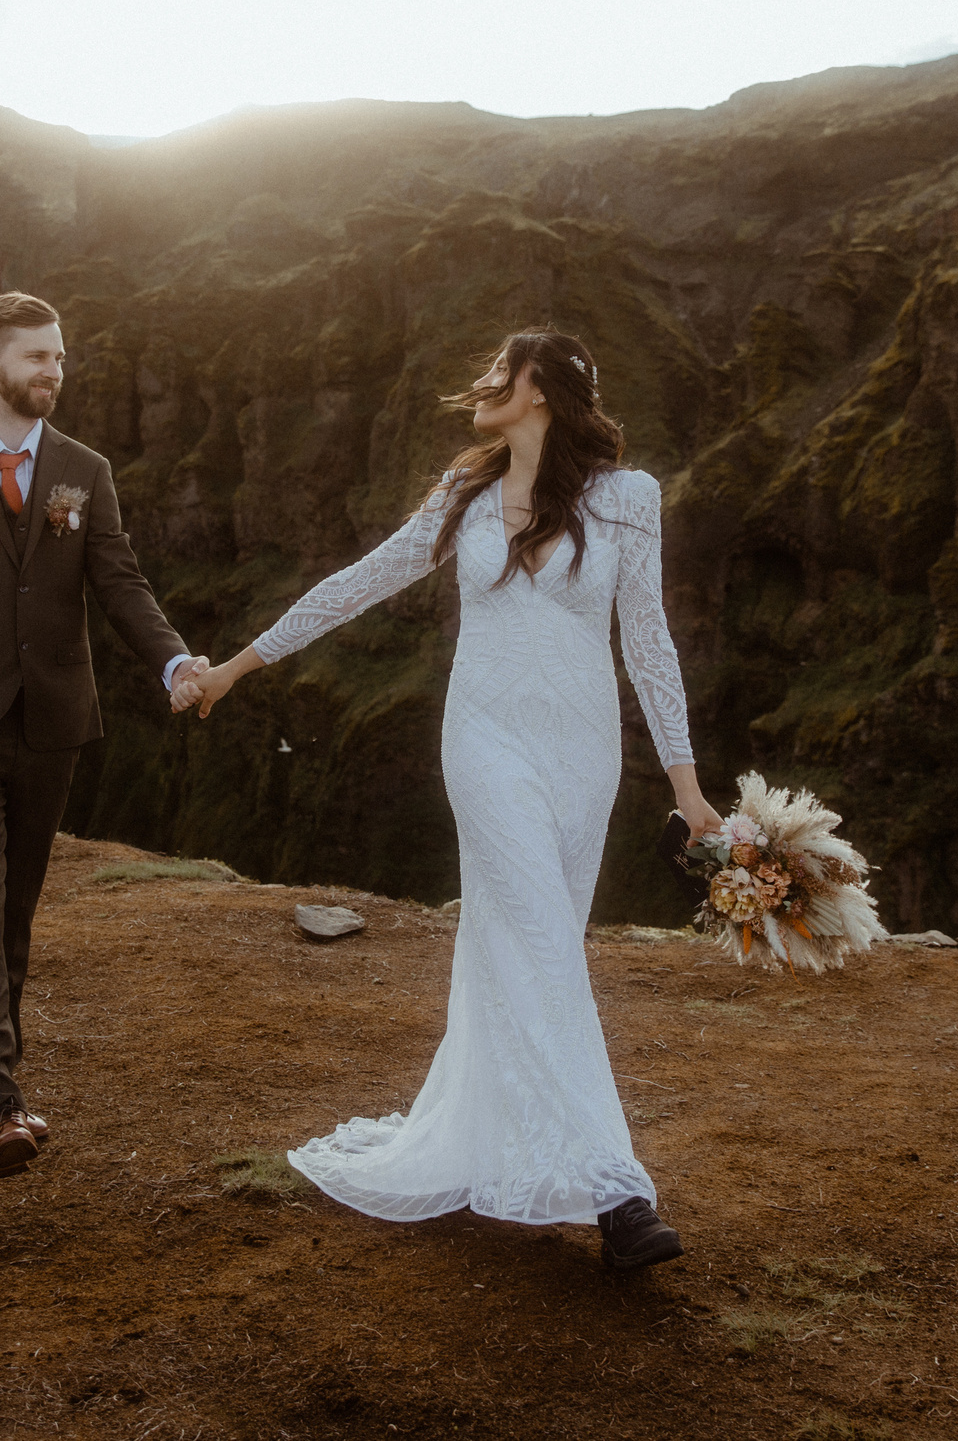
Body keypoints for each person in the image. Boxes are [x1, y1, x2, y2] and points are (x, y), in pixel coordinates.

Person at [179, 328, 720, 1270]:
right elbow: (356, 585)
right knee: (543, 943)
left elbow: (648, 640)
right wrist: (233, 667)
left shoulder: (629, 499)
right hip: (486, 742)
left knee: (537, 947)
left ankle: (505, 1139)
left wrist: (687, 784)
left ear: (541, 389)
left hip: (582, 754)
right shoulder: (462, 496)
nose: (483, 384)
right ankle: (619, 1193)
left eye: (502, 372)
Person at [0, 291, 209, 1178]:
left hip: (52, 725)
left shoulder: (83, 470)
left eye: (59, 356)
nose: (53, 371)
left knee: (13, 908)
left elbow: (121, 582)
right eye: (37, 356)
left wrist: (175, 661)